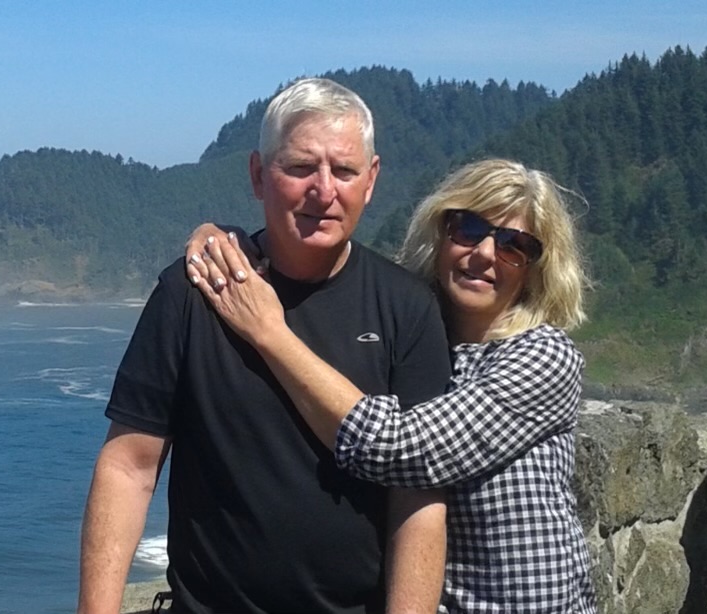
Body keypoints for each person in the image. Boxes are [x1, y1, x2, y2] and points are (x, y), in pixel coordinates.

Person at [78, 78, 453, 614]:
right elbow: (129, 467)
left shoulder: (408, 309)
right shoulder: (193, 293)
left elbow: (418, 501)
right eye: (300, 167)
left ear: (370, 182)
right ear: (259, 175)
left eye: (344, 171)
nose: (323, 191)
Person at [185, 158, 598, 613]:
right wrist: (221, 239)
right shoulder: (412, 326)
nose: (483, 254)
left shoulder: (543, 358)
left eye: (513, 244)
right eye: (469, 228)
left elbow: (402, 449)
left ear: (535, 267)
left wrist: (269, 332)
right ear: (440, 231)